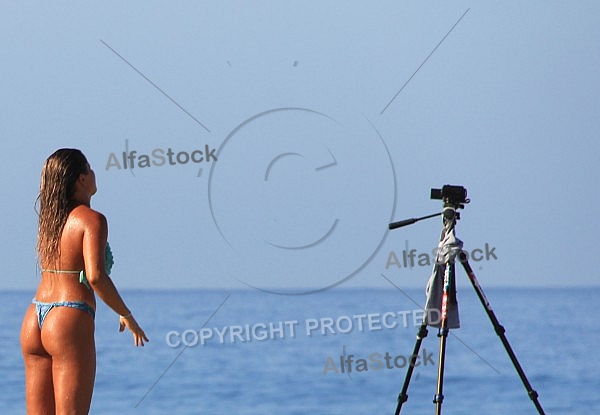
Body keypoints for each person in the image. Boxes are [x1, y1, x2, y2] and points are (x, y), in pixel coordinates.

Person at [20, 148, 149, 415]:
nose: (93, 174)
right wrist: (126, 314)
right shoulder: (92, 220)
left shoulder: (50, 222)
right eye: (89, 170)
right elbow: (96, 276)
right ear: (80, 179)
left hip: (34, 318)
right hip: (67, 319)